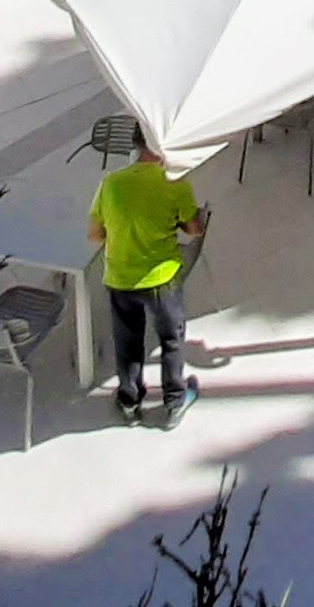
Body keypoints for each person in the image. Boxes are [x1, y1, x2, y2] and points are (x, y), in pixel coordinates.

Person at [86, 125, 207, 425]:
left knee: (128, 342)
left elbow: (95, 235)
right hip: (162, 278)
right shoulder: (175, 183)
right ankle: (175, 400)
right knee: (171, 339)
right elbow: (194, 230)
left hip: (120, 277)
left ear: (136, 144)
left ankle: (129, 401)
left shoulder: (110, 183)